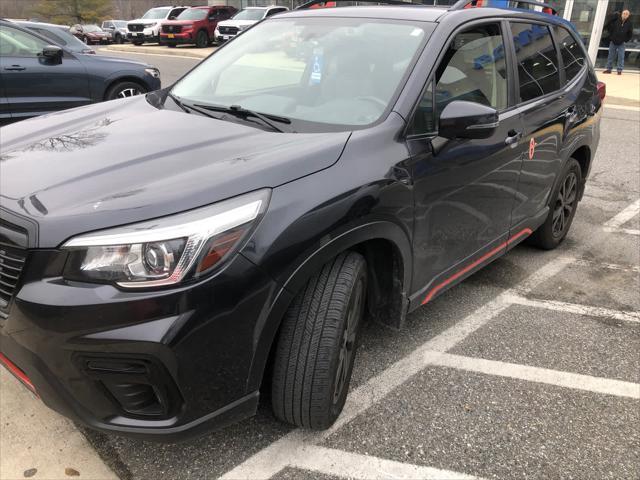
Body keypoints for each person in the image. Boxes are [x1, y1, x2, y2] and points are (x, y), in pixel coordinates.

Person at [603, 10, 633, 75]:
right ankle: (609, 69)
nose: (625, 15)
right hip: (613, 42)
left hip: (621, 43)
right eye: (624, 13)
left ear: (628, 15)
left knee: (621, 56)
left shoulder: (629, 23)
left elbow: (630, 34)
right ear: (621, 14)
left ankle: (619, 70)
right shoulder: (616, 21)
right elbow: (609, 28)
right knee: (611, 56)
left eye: (626, 14)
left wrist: (625, 40)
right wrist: (611, 37)